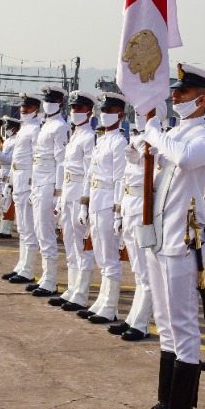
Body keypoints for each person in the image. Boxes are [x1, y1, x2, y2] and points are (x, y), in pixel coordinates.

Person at [129, 63, 205, 409]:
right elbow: (136, 159)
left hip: (184, 243)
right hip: (159, 238)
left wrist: (153, 132)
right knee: (165, 323)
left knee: (183, 324)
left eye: (182, 93)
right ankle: (166, 401)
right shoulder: (173, 135)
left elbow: (184, 159)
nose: (174, 97)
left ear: (201, 99)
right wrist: (143, 141)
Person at [81, 92, 128, 323]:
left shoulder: (120, 142)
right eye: (103, 111)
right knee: (99, 252)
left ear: (120, 114)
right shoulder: (102, 140)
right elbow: (90, 174)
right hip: (97, 200)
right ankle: (101, 301)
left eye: (109, 111)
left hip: (109, 201)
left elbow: (120, 179)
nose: (104, 115)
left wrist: (118, 212)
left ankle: (110, 306)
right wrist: (84, 204)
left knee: (110, 255)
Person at [53, 91, 98, 311]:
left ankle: (81, 293)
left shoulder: (89, 137)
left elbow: (90, 172)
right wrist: (61, 197)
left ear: (90, 112)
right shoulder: (75, 136)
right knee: (69, 242)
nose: (74, 112)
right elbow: (64, 167)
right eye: (73, 108)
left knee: (82, 246)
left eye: (79, 109)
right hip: (69, 189)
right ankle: (71, 289)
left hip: (80, 189)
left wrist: (85, 202)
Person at [110, 119, 155, 338]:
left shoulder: (156, 142)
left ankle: (141, 323)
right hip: (129, 207)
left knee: (146, 271)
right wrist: (118, 213)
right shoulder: (135, 141)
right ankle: (132, 318)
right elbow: (123, 181)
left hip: (144, 209)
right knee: (138, 271)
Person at [28, 87, 69, 297]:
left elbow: (61, 161)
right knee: (38, 229)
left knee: (46, 231)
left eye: (52, 101)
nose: (47, 103)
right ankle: (45, 276)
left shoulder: (61, 127)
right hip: (38, 181)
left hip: (49, 183)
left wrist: (58, 192)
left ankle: (51, 280)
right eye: (46, 100)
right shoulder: (46, 125)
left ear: (60, 104)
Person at [0, 97, 42, 281]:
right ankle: (21, 265)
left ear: (36, 110)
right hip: (18, 179)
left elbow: (37, 160)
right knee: (22, 227)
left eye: (28, 107)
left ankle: (28, 270)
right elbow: (16, 160)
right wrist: (11, 183)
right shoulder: (24, 128)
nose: (23, 109)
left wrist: (33, 184)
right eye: (22, 107)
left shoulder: (37, 128)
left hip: (28, 181)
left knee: (29, 228)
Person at [0, 115, 19, 240]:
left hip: (8, 173)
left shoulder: (17, 141)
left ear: (15, 128)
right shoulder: (7, 140)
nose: (7, 129)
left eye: (10, 127)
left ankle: (7, 230)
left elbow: (9, 159)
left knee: (7, 202)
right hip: (1, 172)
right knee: (3, 202)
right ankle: (2, 228)